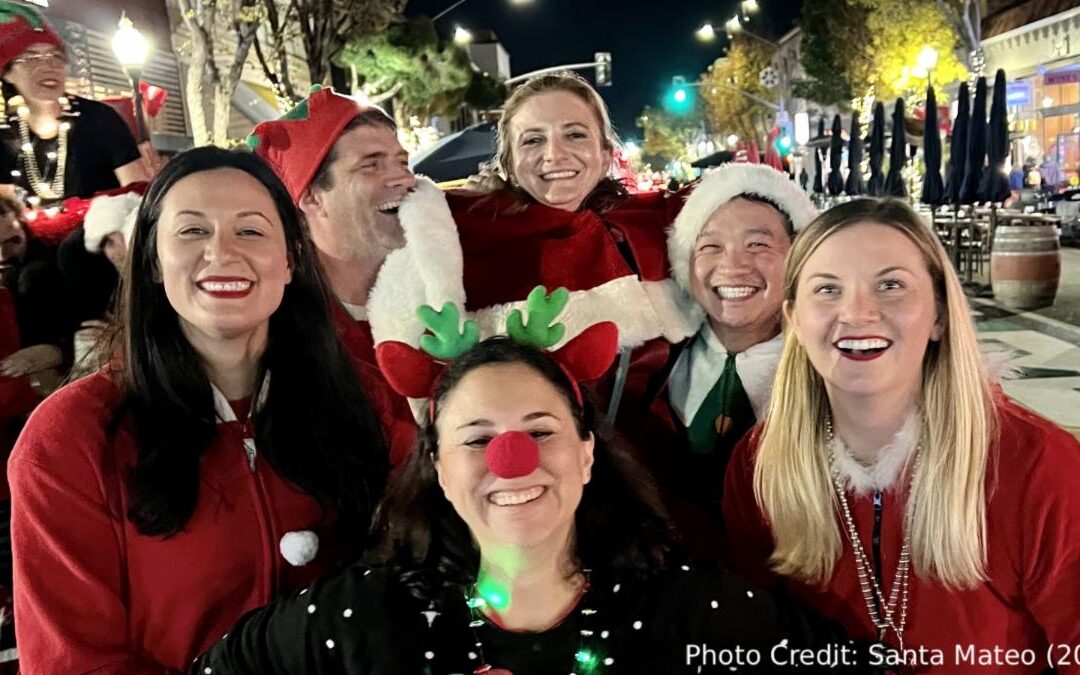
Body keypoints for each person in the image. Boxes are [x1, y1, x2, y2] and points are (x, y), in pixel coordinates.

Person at [190, 321, 857, 674]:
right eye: (478, 439)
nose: (513, 462)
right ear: (439, 468)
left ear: (587, 450)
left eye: (540, 430)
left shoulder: (688, 612)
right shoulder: (366, 617)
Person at [8, 147, 391, 672]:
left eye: (251, 231)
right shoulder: (72, 438)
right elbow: (72, 662)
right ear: (153, 263)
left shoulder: (363, 398)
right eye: (192, 232)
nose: (222, 253)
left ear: (290, 260)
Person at [723, 199, 1080, 672]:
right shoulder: (759, 463)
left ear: (938, 315)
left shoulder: (1039, 466)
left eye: (890, 285)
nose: (857, 314)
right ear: (793, 320)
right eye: (827, 289)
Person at [367, 71, 697, 423]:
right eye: (532, 140)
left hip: (646, 465)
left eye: (574, 134)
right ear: (508, 162)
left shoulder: (647, 227)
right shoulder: (453, 235)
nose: (554, 154)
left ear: (604, 155)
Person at [632, 163, 815, 558]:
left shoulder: (829, 374)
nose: (732, 266)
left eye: (758, 245)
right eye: (710, 246)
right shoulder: (646, 366)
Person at [249, 85, 416, 463]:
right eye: (371, 164)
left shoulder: (442, 288)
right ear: (311, 197)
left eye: (403, 162)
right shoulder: (274, 327)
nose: (403, 179)